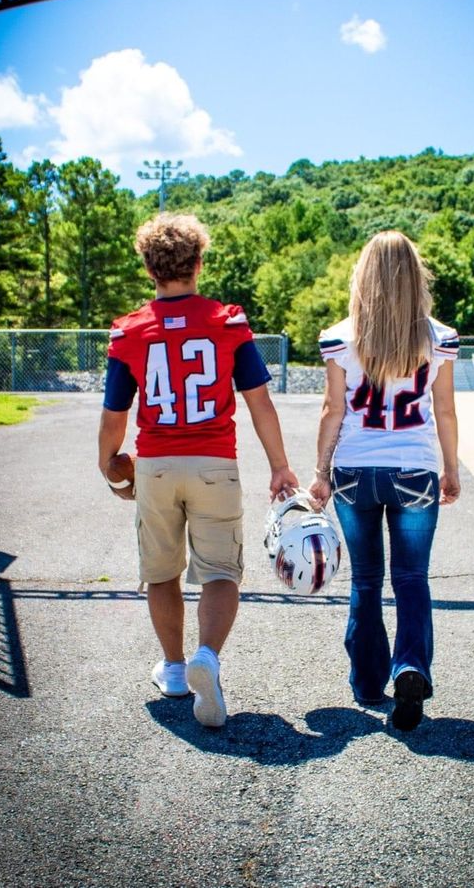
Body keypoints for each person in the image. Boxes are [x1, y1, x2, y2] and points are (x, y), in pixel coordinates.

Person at [98, 212, 298, 728]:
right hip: (214, 462)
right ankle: (206, 657)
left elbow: (114, 417)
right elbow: (259, 403)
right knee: (221, 571)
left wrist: (109, 463)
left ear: (148, 268)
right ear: (199, 262)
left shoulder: (129, 331)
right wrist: (279, 465)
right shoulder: (228, 321)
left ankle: (172, 667)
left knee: (161, 572)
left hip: (157, 464)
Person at [309, 230, 460, 731]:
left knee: (367, 579)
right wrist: (452, 468)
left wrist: (320, 473)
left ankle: (369, 681)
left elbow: (333, 410)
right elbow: (445, 411)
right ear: (416, 277)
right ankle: (411, 666)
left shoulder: (340, 336)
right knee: (412, 579)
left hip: (355, 470)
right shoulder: (439, 338)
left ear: (363, 276)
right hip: (416, 469)